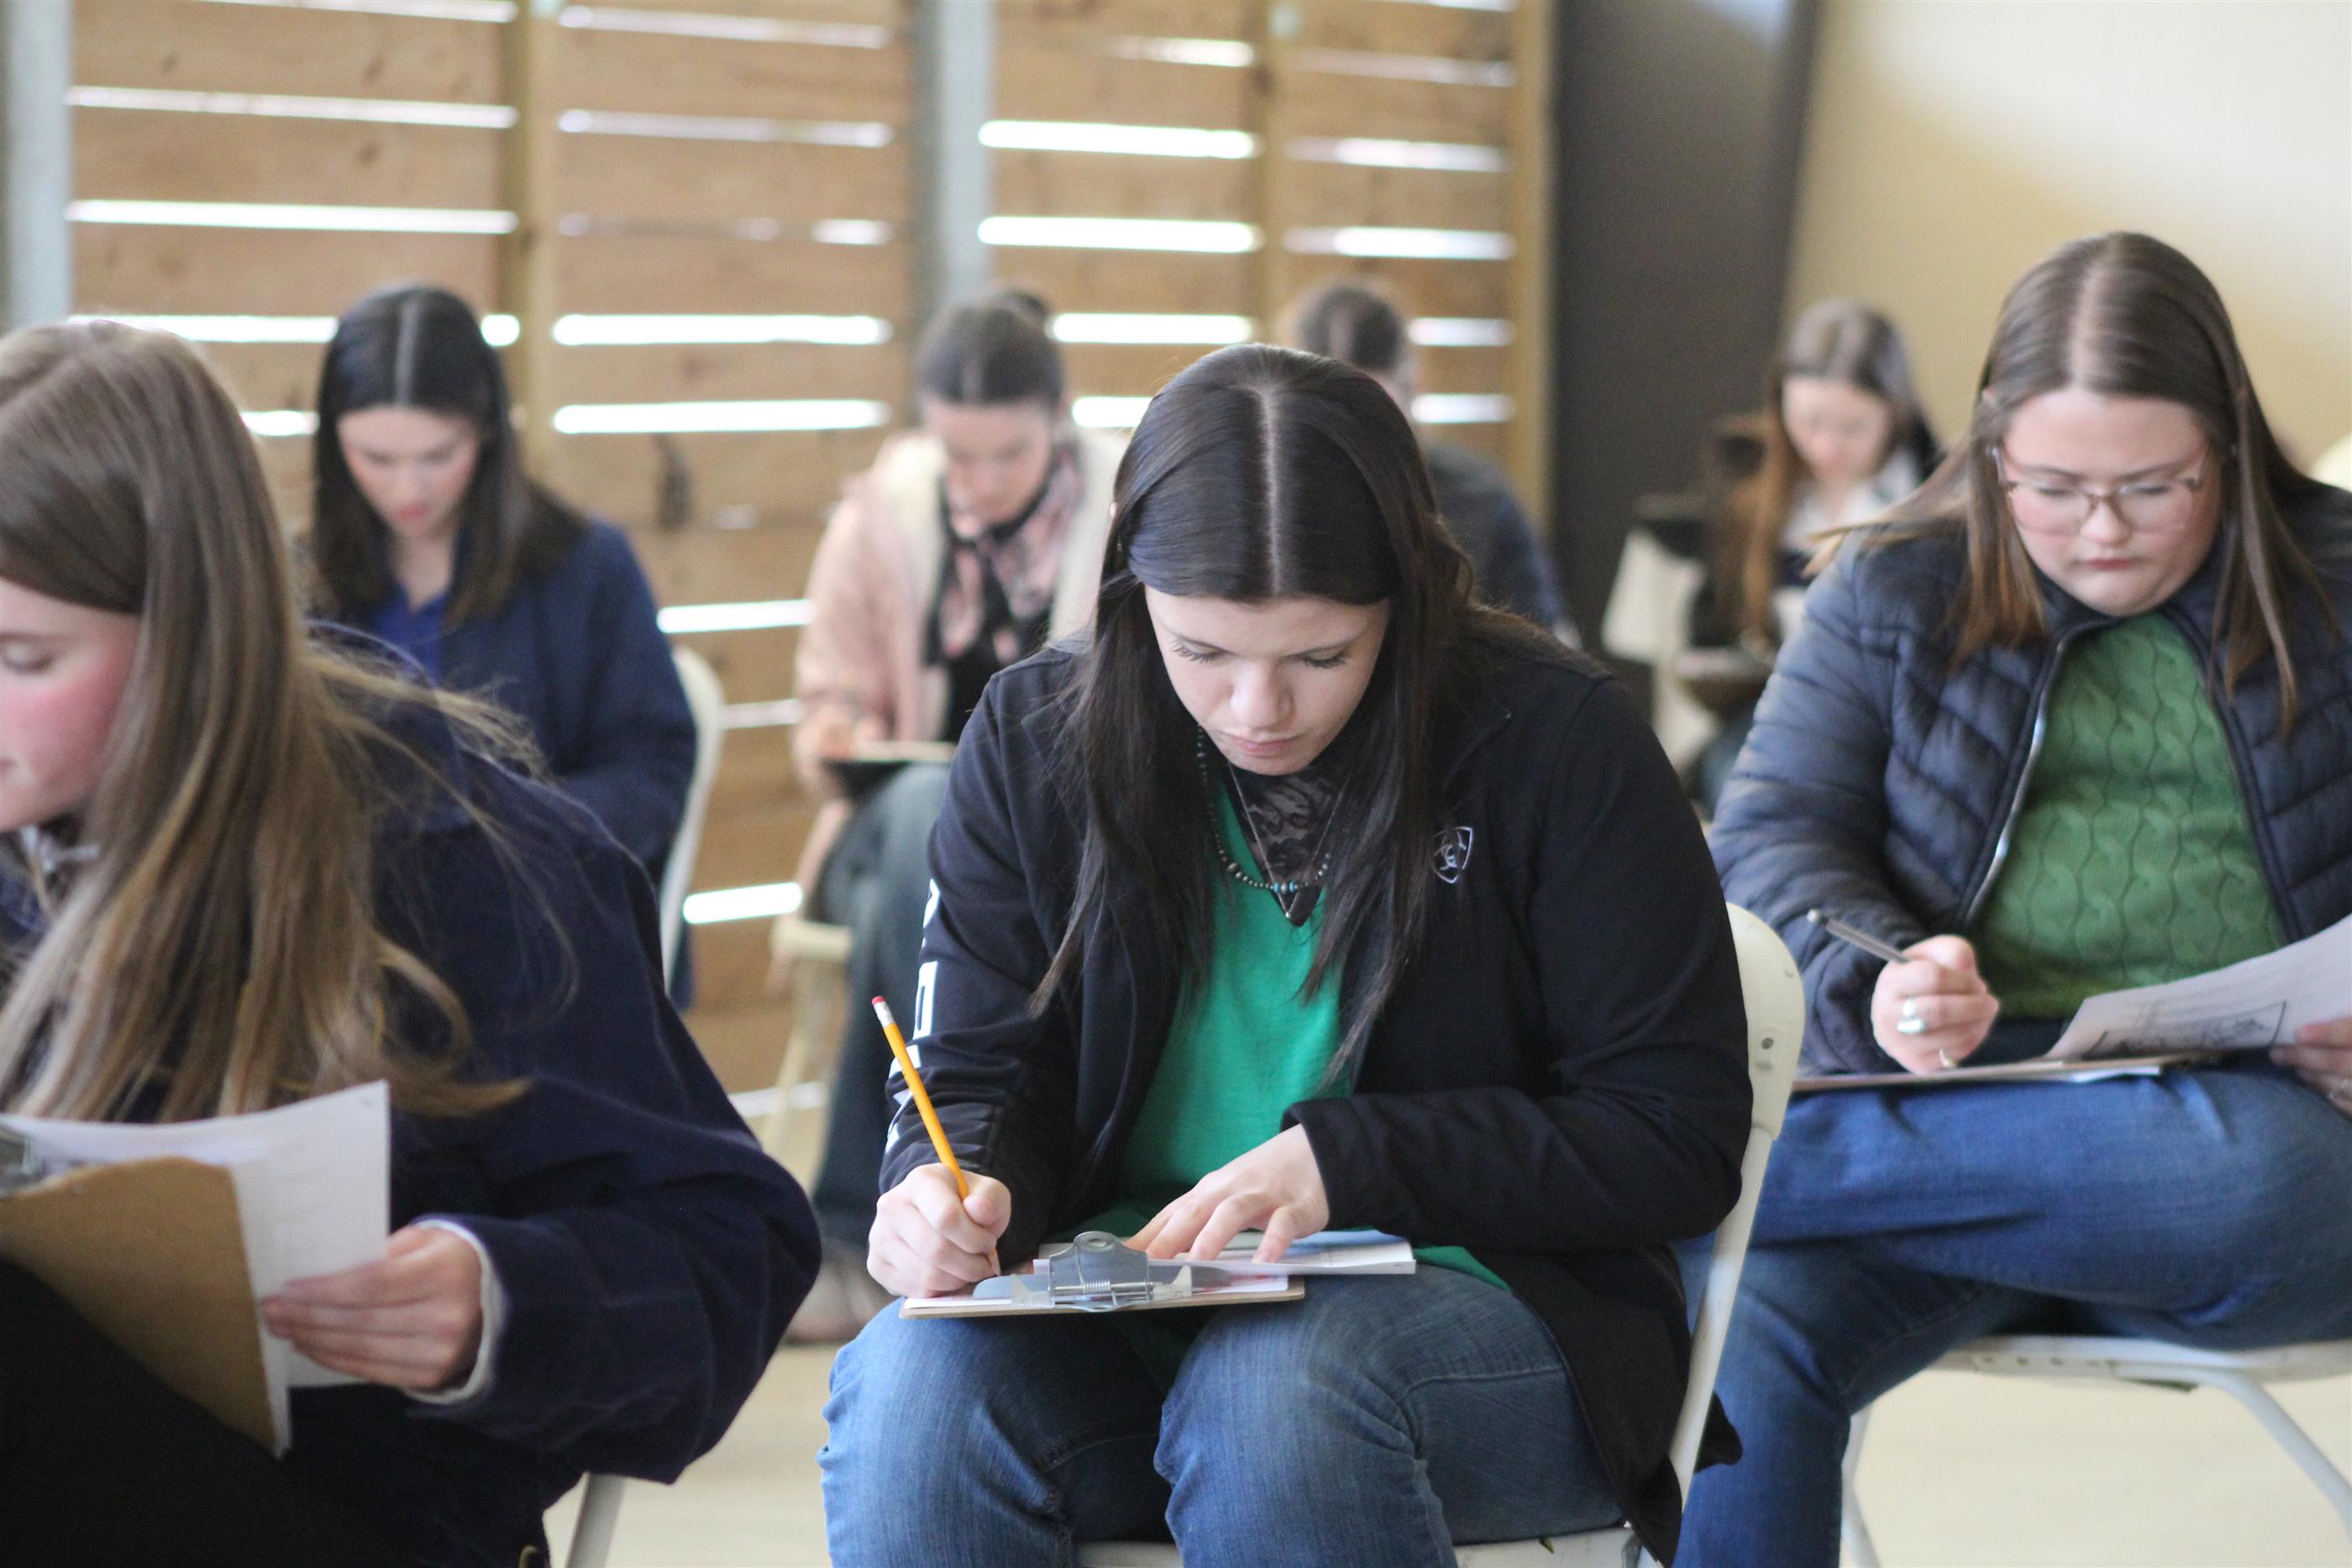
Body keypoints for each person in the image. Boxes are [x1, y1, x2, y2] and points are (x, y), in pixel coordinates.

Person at [817, 345, 1752, 1566]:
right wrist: (948, 1186)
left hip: (1493, 1315)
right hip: (1126, 1304)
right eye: (1202, 651)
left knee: (1277, 1399)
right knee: (909, 1393)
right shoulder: (1037, 734)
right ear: (1132, 594)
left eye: (1322, 656)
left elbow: (1674, 1137)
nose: (1259, 708)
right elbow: (976, 1068)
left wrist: (1350, 1162)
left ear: (1405, 602)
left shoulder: (1555, 740)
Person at [0, 321, 817, 1567]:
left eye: (23, 657)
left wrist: (501, 1300)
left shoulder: (462, 854)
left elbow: (731, 1251)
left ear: (187, 639)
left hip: (360, 1509)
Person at [1695, 233, 2352, 1566]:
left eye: (2153, 487)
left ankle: (1676, 1166)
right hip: (1958, 1117)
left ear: (2228, 446)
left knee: (2252, 1172)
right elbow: (1769, 837)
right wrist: (1881, 972)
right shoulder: (1894, 582)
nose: (2101, 531)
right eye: (2052, 487)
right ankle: (1701, 1174)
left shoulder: (2339, 581)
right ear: (1993, 451)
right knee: (1739, 1335)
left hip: (2240, 1149)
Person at [785, 289, 1121, 1337]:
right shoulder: (882, 516)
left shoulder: (1122, 516)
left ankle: (870, 1221)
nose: (976, 482)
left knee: (952, 839)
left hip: (1059, 844)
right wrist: (841, 729)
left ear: (1058, 419)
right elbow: (823, 700)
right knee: (930, 813)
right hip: (886, 829)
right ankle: (892, 1201)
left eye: (1004, 455)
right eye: (955, 455)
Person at [307, 285, 699, 992]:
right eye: (376, 458)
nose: (408, 490)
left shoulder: (586, 567)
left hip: (545, 940)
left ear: (487, 429)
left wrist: (510, 833)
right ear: (334, 443)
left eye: (437, 455)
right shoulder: (300, 580)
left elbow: (653, 770)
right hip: (347, 951)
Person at [1684, 299, 1938, 811]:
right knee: (1748, 795)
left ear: (1895, 412)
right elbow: (1709, 625)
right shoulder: (1748, 482)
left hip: (1902, 721)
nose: (1826, 447)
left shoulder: (1937, 491)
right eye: (1809, 422)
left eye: (1853, 428)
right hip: (1773, 711)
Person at [1288, 278, 1567, 632]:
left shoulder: (1479, 495)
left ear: (1413, 387)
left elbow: (1544, 639)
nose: (1352, 444)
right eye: (1330, 419)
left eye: (1370, 416)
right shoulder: (1273, 501)